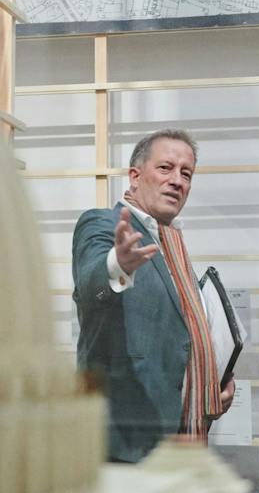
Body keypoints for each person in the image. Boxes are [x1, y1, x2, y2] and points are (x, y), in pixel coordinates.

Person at [73, 129, 235, 463]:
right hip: (124, 440)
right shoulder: (103, 224)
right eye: (165, 168)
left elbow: (180, 338)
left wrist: (213, 384)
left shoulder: (171, 245)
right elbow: (90, 288)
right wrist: (117, 265)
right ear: (135, 176)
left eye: (186, 174)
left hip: (177, 438)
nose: (177, 180)